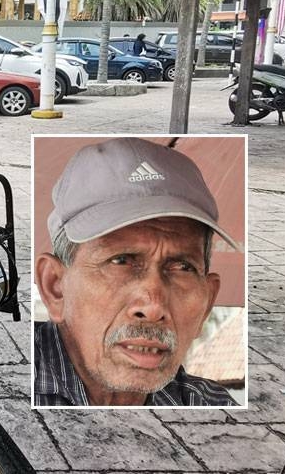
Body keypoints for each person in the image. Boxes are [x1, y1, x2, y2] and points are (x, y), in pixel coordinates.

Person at [34, 137, 239, 407]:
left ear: (207, 304)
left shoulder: (214, 411)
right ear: (55, 287)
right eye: (121, 261)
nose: (153, 306)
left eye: (182, 268)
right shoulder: (2, 394)